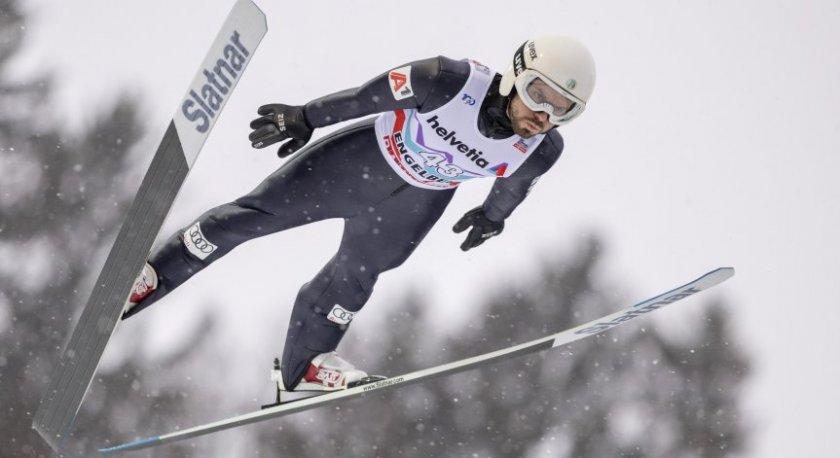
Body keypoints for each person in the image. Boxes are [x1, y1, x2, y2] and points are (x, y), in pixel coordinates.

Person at [123, 34, 596, 397]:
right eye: (539, 94)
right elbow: (367, 97)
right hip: (359, 164)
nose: (543, 115)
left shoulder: (540, 149)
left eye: (563, 109)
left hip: (415, 204)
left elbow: (514, 186)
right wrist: (306, 116)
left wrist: (493, 217)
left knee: (356, 278)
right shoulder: (447, 81)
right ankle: (150, 276)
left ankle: (300, 370)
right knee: (254, 217)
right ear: (517, 73)